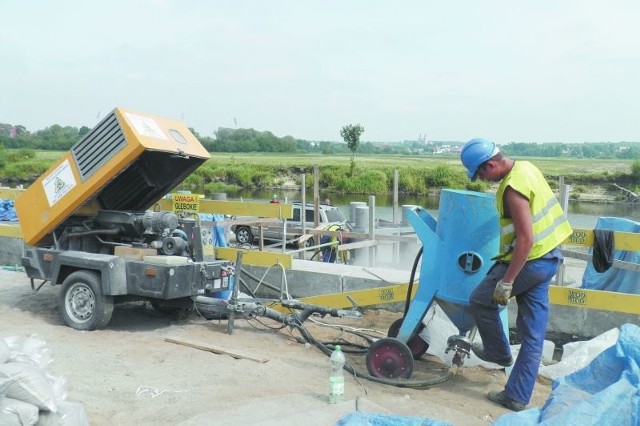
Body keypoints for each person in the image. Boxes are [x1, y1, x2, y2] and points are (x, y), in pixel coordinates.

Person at [460, 138, 572, 412]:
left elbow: (525, 240)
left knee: (481, 300)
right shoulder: (527, 167)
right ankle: (517, 397)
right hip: (550, 258)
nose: (483, 179)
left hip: (530, 261)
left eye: (482, 173)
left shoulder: (512, 188)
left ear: (492, 164)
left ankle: (498, 353)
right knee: (534, 335)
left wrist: (507, 280)